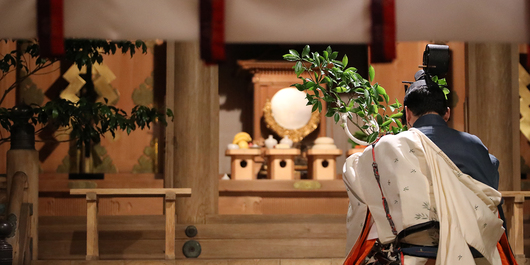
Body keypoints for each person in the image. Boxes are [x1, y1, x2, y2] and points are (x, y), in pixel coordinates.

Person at [342, 75, 516, 265]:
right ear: (447, 113)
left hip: (415, 250)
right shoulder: (475, 145)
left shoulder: (391, 147)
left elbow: (358, 176)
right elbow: (491, 193)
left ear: (407, 114)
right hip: (475, 249)